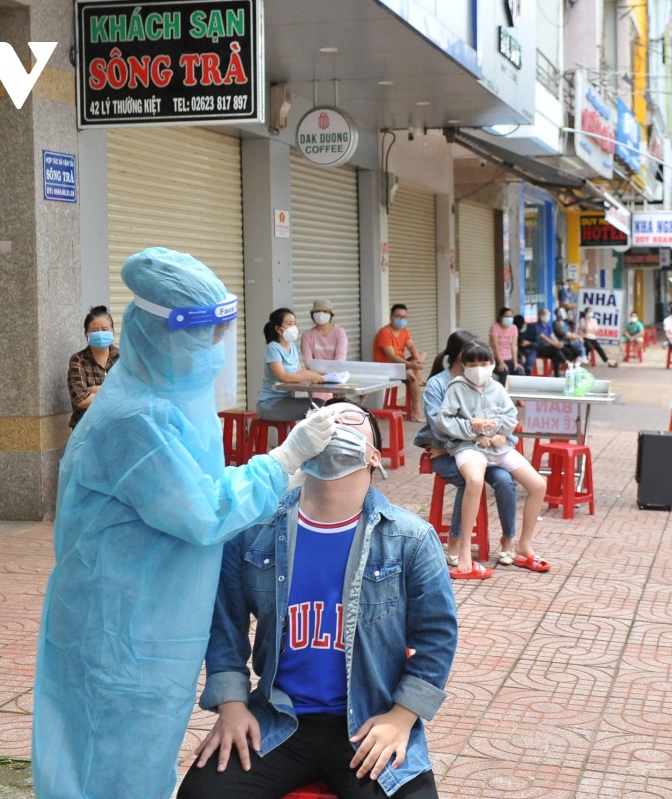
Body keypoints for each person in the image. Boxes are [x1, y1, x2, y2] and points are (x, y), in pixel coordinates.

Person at [33, 248, 339, 799]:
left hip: (158, 619)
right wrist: (285, 459)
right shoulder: (134, 418)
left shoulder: (170, 392)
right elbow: (203, 510)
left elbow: (207, 488)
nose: (215, 352)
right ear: (159, 333)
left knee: (143, 760)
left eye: (221, 335)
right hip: (119, 624)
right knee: (108, 760)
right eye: (205, 338)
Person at [180, 398, 457, 799]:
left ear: (374, 456)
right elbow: (224, 625)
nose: (333, 424)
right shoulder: (253, 531)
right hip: (278, 720)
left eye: (350, 419)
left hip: (369, 723)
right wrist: (232, 706)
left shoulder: (410, 539)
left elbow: (438, 636)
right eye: (320, 417)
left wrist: (401, 717)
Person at [433, 340, 548, 578]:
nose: (478, 368)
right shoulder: (456, 388)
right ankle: (465, 549)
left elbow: (511, 415)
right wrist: (472, 430)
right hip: (469, 448)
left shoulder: (497, 387)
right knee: (474, 481)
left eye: (483, 363)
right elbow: (444, 420)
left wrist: (499, 433)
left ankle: (523, 544)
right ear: (464, 366)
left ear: (492, 364)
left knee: (538, 484)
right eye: (473, 364)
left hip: (499, 448)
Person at [414, 332, 518, 568]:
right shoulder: (438, 384)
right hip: (446, 452)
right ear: (461, 356)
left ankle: (508, 541)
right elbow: (439, 426)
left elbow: (501, 417)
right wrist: (458, 443)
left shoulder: (486, 384)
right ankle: (456, 540)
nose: (479, 365)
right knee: (469, 480)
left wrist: (501, 437)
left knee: (505, 480)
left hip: (484, 453)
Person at [258, 308, 327, 422]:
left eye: (294, 324)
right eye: (289, 324)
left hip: (286, 400)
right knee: (318, 408)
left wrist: (319, 374)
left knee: (320, 403)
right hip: (270, 403)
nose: (293, 327)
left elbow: (300, 371)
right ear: (278, 328)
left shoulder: (292, 345)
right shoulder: (273, 348)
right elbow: (282, 376)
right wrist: (310, 377)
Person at [67, 305, 120, 429]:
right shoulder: (78, 360)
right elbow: (81, 400)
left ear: (112, 331)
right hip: (86, 430)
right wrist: (116, 393)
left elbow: (132, 391)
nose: (101, 334)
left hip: (118, 428)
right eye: (95, 330)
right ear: (86, 334)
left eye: (105, 329)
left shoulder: (123, 358)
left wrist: (92, 390)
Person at [373, 304, 427, 421]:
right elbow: (392, 356)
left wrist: (416, 359)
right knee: (412, 376)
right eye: (398, 316)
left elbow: (411, 346)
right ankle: (416, 409)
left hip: (401, 366)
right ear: (391, 317)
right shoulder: (385, 333)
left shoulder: (404, 331)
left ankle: (414, 370)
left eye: (404, 317)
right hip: (387, 368)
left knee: (422, 354)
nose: (401, 320)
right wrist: (411, 365)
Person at [300, 299, 348, 367]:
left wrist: (331, 371)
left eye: (325, 311)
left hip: (335, 373)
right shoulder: (307, 336)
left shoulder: (339, 332)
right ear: (312, 315)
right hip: (315, 375)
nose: (321, 314)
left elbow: (340, 356)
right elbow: (308, 362)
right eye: (317, 311)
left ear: (330, 314)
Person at [532, 308, 568, 377]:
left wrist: (558, 343)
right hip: (539, 348)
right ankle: (566, 362)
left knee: (556, 355)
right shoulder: (536, 326)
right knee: (554, 349)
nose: (547, 316)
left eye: (547, 314)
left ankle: (557, 375)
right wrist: (556, 345)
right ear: (540, 315)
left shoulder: (548, 325)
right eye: (544, 314)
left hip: (548, 348)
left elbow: (553, 336)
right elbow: (544, 338)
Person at [489, 307, 522, 380]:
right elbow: (495, 347)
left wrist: (515, 362)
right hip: (496, 359)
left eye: (511, 316)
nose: (509, 318)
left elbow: (514, 346)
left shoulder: (514, 328)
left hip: (509, 358)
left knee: (519, 371)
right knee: (505, 372)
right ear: (500, 318)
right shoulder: (494, 328)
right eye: (506, 316)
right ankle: (502, 390)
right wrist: (501, 362)